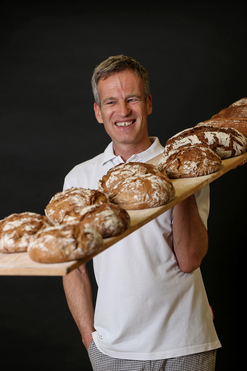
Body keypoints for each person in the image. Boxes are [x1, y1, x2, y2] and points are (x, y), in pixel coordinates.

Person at [62, 55, 221, 371]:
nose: (122, 111)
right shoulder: (79, 178)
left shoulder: (186, 166)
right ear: (98, 112)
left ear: (148, 103)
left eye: (132, 99)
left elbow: (190, 259)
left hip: (186, 343)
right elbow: (73, 267)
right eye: (111, 102)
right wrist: (88, 337)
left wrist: (181, 182)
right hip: (113, 350)